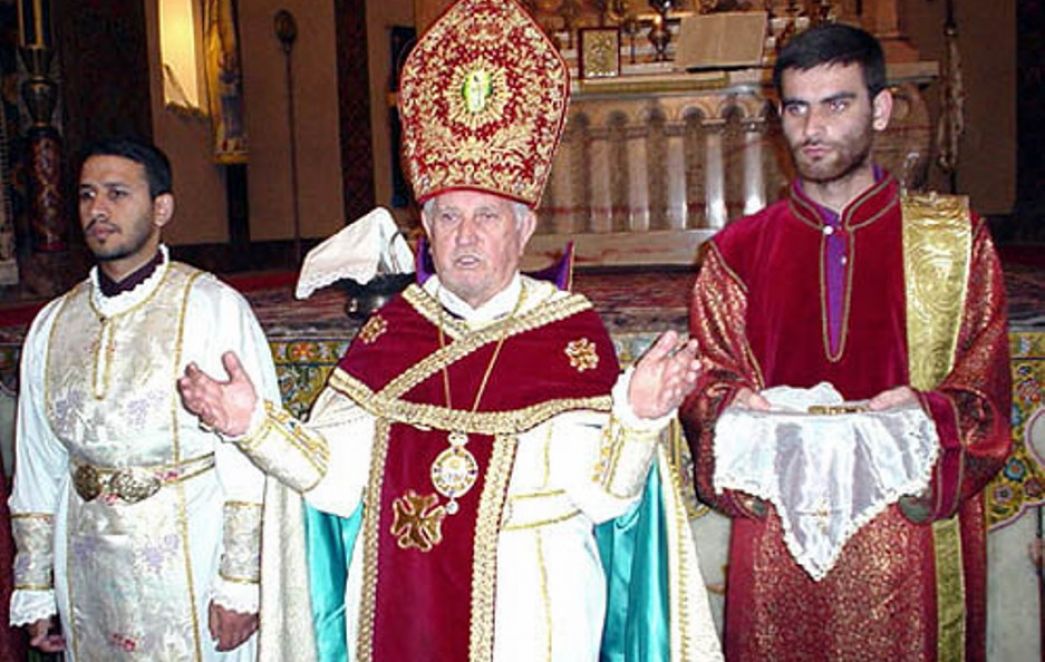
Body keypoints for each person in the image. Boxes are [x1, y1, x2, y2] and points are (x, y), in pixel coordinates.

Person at [177, 0, 723, 660]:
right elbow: (337, 482)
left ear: (522, 229)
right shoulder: (392, 335)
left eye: (487, 217)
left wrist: (636, 419)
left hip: (539, 607)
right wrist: (253, 425)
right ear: (424, 233)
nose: (465, 237)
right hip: (403, 605)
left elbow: (605, 500)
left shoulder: (568, 336)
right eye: (447, 218)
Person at [681, 23, 1011, 661]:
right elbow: (707, 385)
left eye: (838, 104)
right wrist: (728, 409)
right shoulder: (737, 253)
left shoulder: (953, 241)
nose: (814, 128)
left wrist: (928, 415)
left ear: (880, 109)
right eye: (798, 108)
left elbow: (986, 387)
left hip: (905, 537)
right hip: (780, 540)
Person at [8, 138, 280, 660]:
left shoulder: (211, 307)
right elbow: (38, 464)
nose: (98, 211)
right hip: (86, 562)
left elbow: (250, 460)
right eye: (87, 196)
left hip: (189, 559)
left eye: (116, 194)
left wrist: (241, 583)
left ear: (162, 208)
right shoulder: (53, 324)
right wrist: (36, 588)